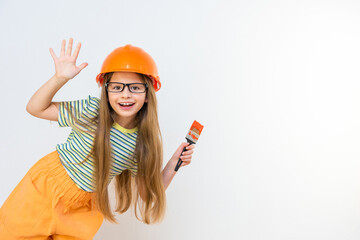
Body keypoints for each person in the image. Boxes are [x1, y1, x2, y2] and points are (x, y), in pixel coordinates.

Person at [0, 38, 195, 240]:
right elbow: (35, 108)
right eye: (117, 87)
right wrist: (60, 78)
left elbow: (148, 194)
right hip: (45, 189)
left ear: (148, 93)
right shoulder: (90, 110)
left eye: (135, 88)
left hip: (83, 207)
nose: (125, 95)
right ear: (106, 91)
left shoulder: (141, 143)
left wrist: (173, 163)